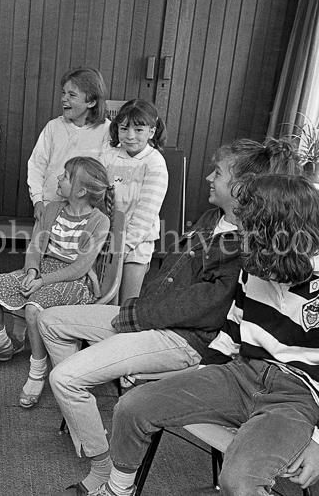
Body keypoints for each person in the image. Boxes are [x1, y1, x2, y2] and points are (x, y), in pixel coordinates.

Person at [38, 139, 300, 495]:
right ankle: (89, 421)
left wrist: (133, 317)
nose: (209, 177)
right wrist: (133, 319)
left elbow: (202, 308)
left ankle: (102, 467)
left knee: (66, 378)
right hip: (150, 319)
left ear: (241, 187)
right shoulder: (213, 219)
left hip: (184, 339)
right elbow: (168, 278)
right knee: (50, 320)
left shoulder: (250, 245)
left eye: (218, 173)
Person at [90, 174, 319, 496]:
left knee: (237, 481)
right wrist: (202, 376)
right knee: (132, 406)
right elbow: (234, 327)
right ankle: (118, 491)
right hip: (240, 373)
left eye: (250, 234)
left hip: (298, 397)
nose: (242, 241)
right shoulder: (256, 264)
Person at [0, 156, 112, 408]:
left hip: (76, 281)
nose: (59, 178)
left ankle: (37, 371)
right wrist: (31, 272)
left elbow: (80, 267)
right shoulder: (51, 209)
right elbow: (36, 246)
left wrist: (42, 281)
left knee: (33, 309)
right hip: (42, 270)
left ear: (81, 190)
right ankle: (0, 340)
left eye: (66, 176)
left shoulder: (99, 221)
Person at [99, 99, 168, 303]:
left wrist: (124, 247)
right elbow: (98, 196)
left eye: (138, 130)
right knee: (104, 297)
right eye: (124, 128)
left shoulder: (154, 163)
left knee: (127, 302)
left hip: (136, 243)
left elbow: (146, 213)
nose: (130, 136)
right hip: (107, 238)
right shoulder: (108, 155)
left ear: (151, 131)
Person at [27, 68, 111, 221]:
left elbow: (107, 173)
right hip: (50, 206)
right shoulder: (53, 127)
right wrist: (37, 200)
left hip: (85, 213)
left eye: (72, 95)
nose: (64, 99)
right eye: (63, 93)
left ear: (91, 101)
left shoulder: (107, 131)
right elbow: (36, 165)